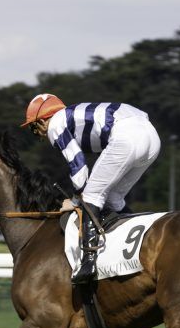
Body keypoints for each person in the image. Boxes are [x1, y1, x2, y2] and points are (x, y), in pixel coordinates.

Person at [21, 93, 161, 283]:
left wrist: (76, 200)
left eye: (34, 128)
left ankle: (88, 262)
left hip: (127, 135)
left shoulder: (55, 124)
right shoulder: (71, 117)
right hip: (151, 137)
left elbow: (79, 168)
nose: (38, 135)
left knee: (91, 196)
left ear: (43, 120)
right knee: (113, 199)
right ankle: (135, 248)